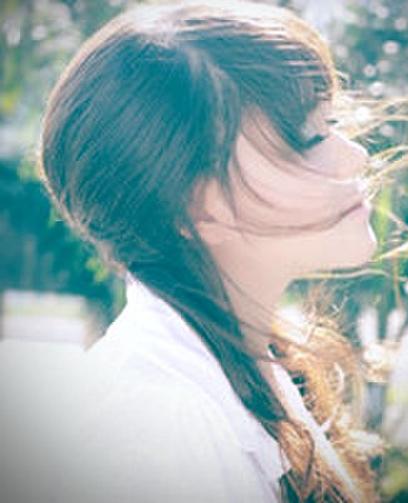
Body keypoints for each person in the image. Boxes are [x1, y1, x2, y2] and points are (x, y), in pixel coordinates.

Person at [37, 1, 382, 501]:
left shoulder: (256, 356)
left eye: (333, 124)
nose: (356, 156)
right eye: (310, 138)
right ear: (196, 204)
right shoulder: (153, 439)